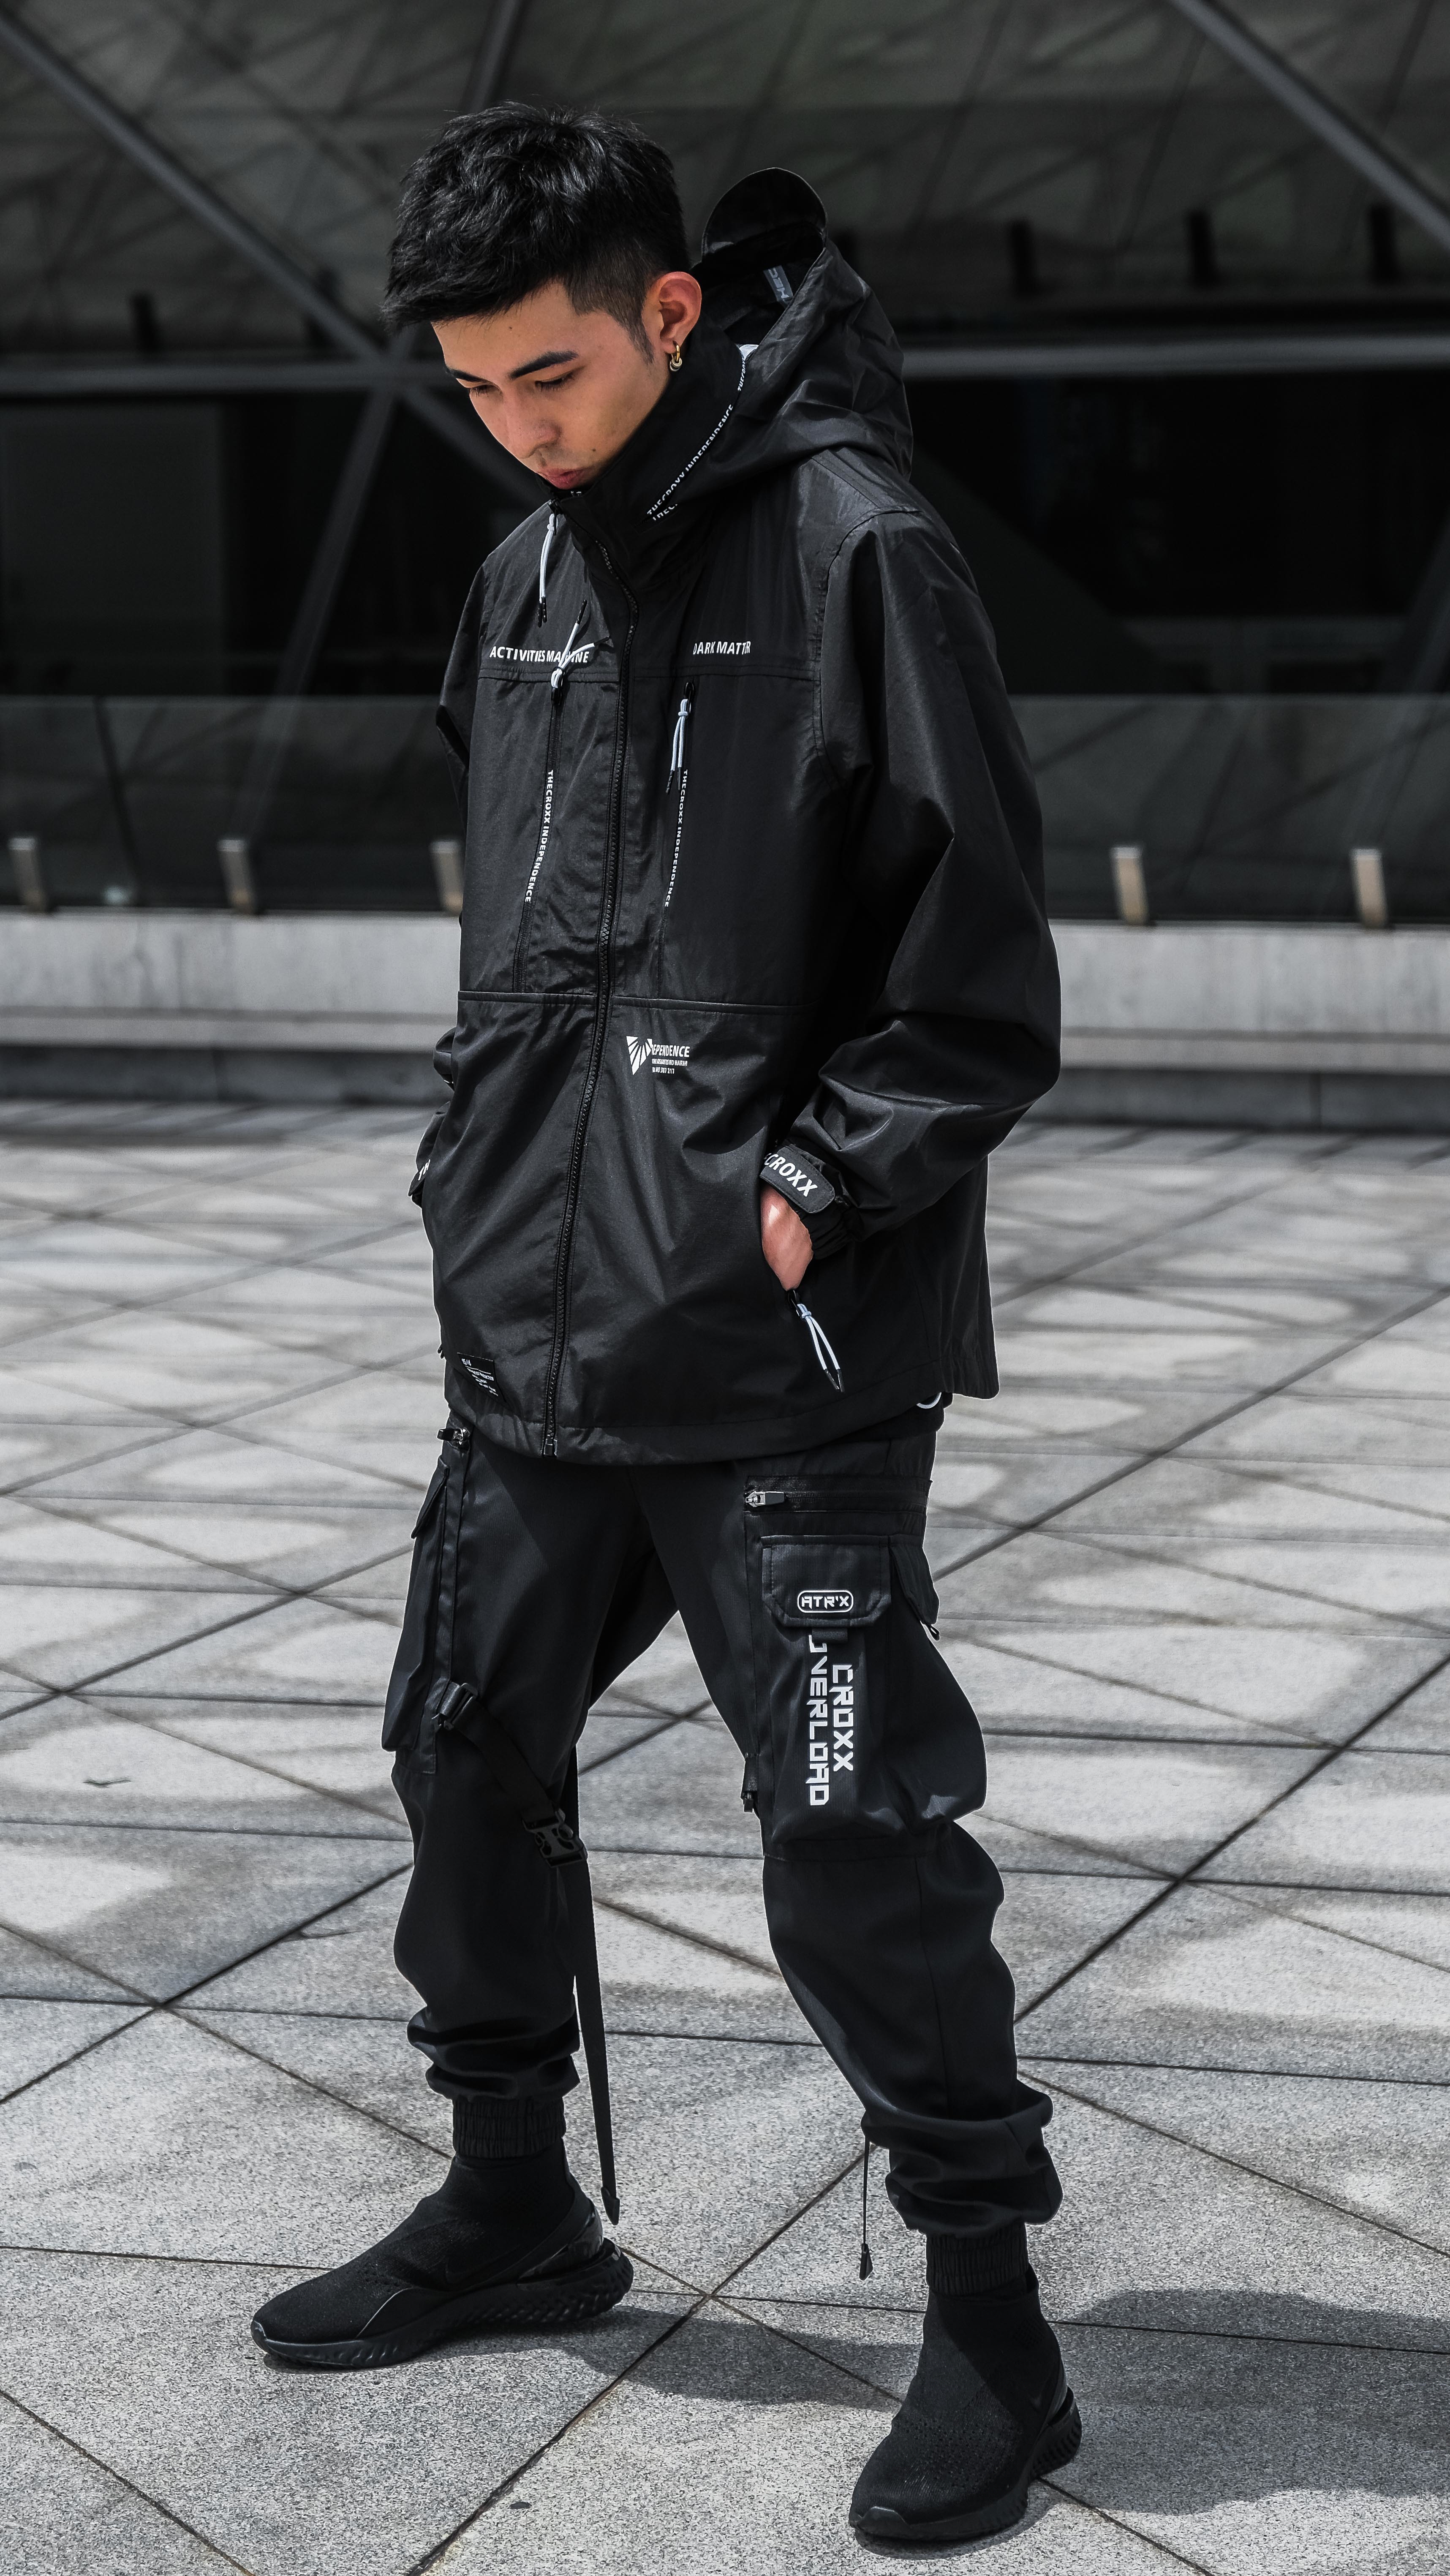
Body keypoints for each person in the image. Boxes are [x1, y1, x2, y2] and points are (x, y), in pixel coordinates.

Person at [250, 103, 1073, 2546]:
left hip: (781, 1367)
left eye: (556, 375)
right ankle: (516, 2200)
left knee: (849, 1824)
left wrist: (812, 1188)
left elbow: (977, 979)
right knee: (461, 1743)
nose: (518, 427)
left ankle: (995, 2327)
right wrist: (474, 1177)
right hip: (538, 1333)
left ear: (672, 312)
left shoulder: (858, 549)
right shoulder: (517, 572)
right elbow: (538, 949)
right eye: (474, 391)